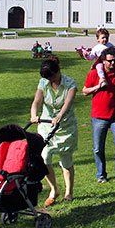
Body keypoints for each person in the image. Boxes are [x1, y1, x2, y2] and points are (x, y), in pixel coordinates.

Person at [29, 57, 78, 205]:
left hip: (65, 127)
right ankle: (54, 189)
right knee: (44, 157)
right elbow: (37, 101)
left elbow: (67, 105)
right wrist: (34, 114)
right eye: (48, 78)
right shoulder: (44, 83)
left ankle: (68, 192)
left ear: (58, 71)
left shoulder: (70, 84)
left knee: (66, 160)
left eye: (53, 77)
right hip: (46, 126)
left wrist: (59, 116)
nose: (51, 81)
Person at [81, 48, 115, 184]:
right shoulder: (94, 74)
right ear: (103, 61)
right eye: (109, 61)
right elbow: (84, 91)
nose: (112, 63)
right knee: (98, 148)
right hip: (98, 116)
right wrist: (98, 87)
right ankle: (101, 175)